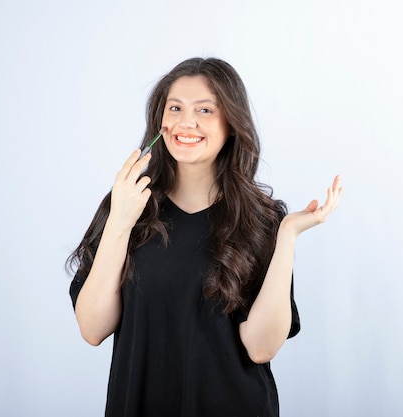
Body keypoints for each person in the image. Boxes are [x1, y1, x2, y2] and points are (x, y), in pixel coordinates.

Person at [67, 57, 342, 417]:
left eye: (205, 110)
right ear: (160, 122)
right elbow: (92, 328)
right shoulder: (128, 205)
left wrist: (287, 235)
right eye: (175, 108)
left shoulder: (263, 219)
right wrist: (120, 219)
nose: (186, 122)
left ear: (231, 123)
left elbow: (260, 348)